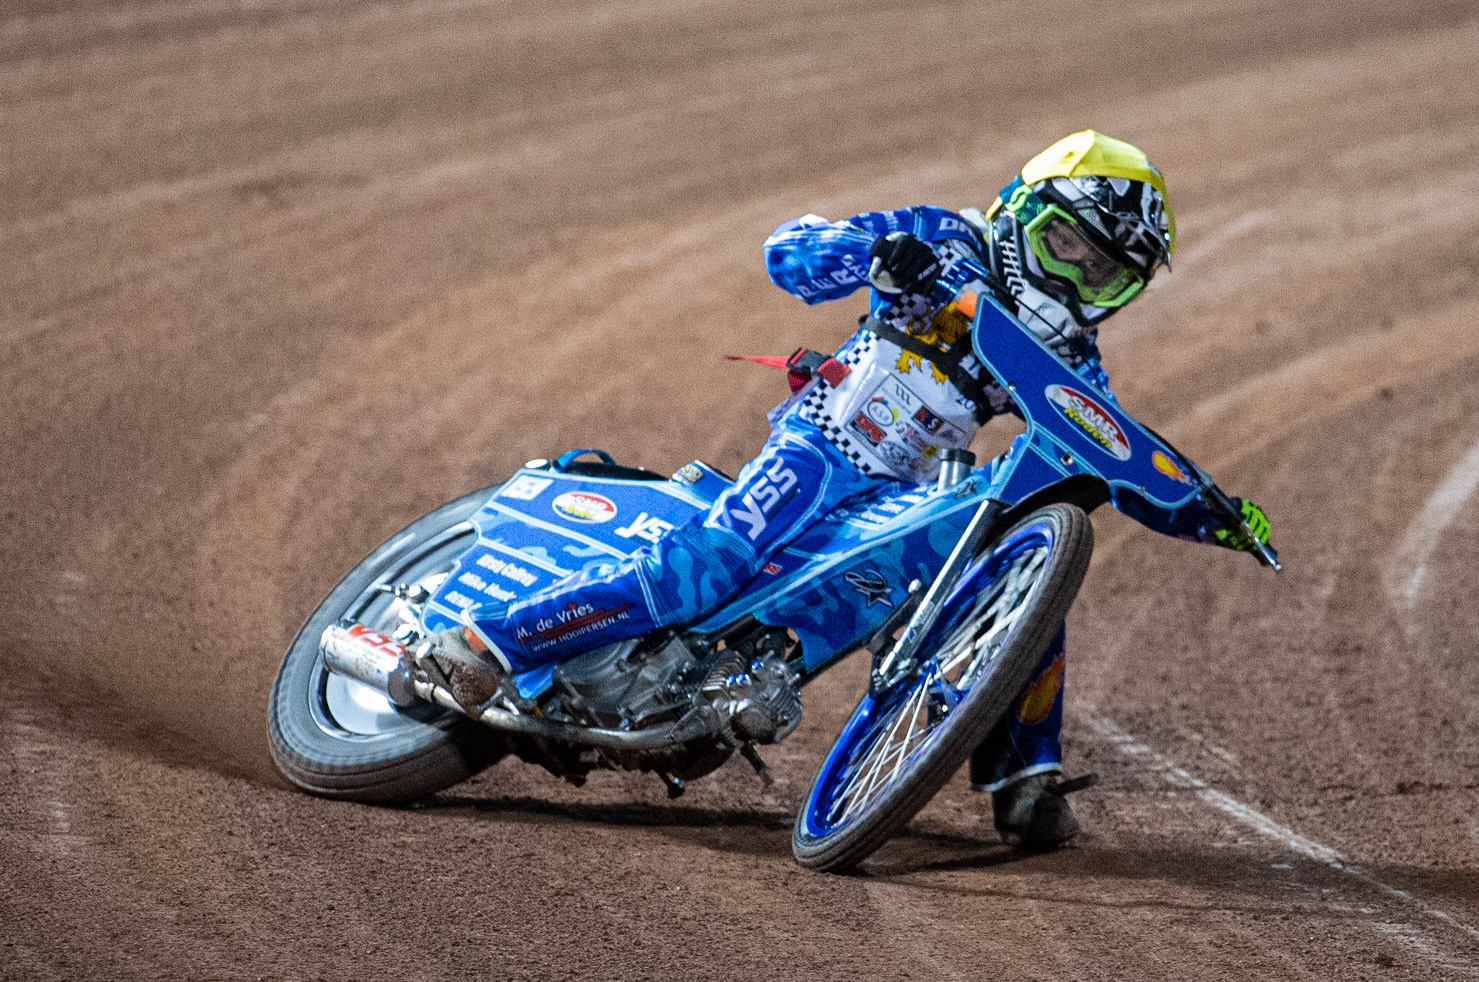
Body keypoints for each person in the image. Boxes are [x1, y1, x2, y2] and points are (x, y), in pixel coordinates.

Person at [417, 130, 1272, 848]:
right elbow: (788, 252)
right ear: (1021, 211)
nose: (1074, 276)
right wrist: (872, 254)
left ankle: (1024, 775)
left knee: (1011, 578)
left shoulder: (1072, 360)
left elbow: (1101, 440)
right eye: (1065, 245)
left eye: (1101, 273)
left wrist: (1208, 508)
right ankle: (492, 642)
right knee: (713, 564)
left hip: (901, 490)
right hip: (822, 443)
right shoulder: (947, 235)